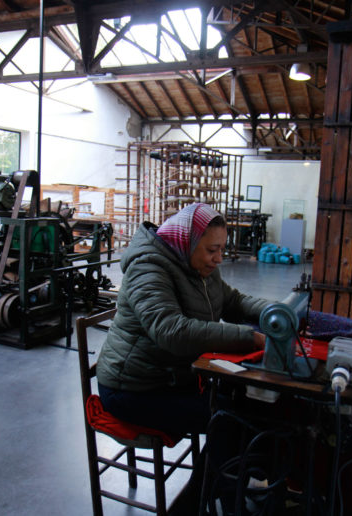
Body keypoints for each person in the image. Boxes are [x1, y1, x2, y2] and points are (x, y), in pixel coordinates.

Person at [96, 202, 269, 514]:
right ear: (186, 242)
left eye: (221, 250)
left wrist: (272, 312)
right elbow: (171, 331)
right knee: (230, 421)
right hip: (132, 388)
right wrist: (249, 338)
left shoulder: (199, 267)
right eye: (212, 250)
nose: (218, 259)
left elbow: (232, 301)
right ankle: (196, 506)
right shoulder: (148, 267)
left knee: (247, 404)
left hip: (172, 376)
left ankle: (225, 494)